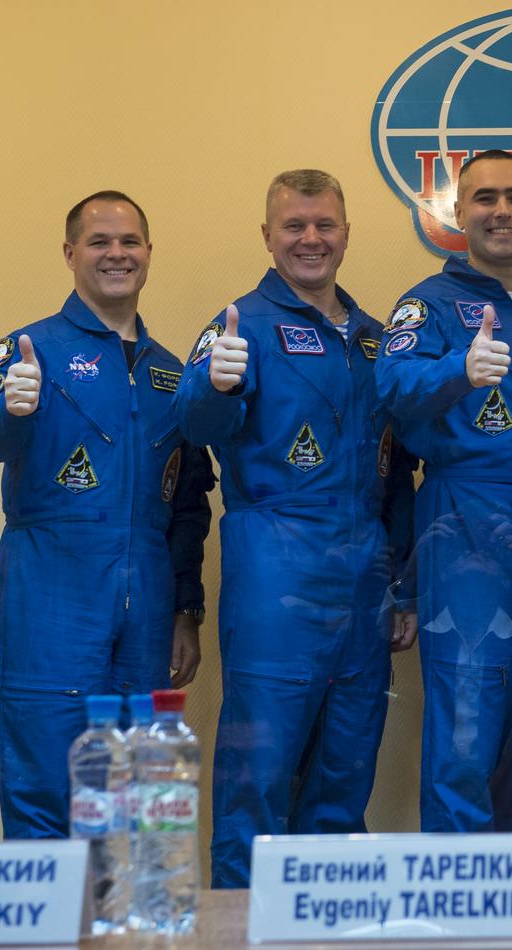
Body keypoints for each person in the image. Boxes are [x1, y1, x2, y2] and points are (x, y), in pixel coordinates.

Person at [175, 169, 414, 887]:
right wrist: (210, 384)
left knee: (345, 768)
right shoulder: (237, 327)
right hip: (276, 569)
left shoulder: (375, 339)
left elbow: (396, 474)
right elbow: (196, 428)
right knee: (260, 771)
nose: (311, 239)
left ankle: (326, 922)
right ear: (268, 237)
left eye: (325, 225)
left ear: (346, 232)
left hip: (364, 575)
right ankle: (236, 924)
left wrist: (401, 584)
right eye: (294, 226)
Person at [0, 190, 213, 838]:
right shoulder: (27, 351)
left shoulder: (170, 374)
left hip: (149, 600)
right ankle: (47, 940)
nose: (116, 253)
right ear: (71, 253)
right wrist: (7, 408)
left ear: (149, 254)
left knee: (137, 788)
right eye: (99, 241)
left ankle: (123, 937)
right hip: (52, 591)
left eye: (129, 241)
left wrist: (187, 608)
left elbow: (188, 503)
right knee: (46, 773)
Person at [376, 150, 512, 835]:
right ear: (457, 213)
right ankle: (458, 930)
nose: (502, 211)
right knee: (463, 747)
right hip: (465, 534)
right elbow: (391, 391)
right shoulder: (429, 305)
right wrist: (457, 369)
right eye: (484, 199)